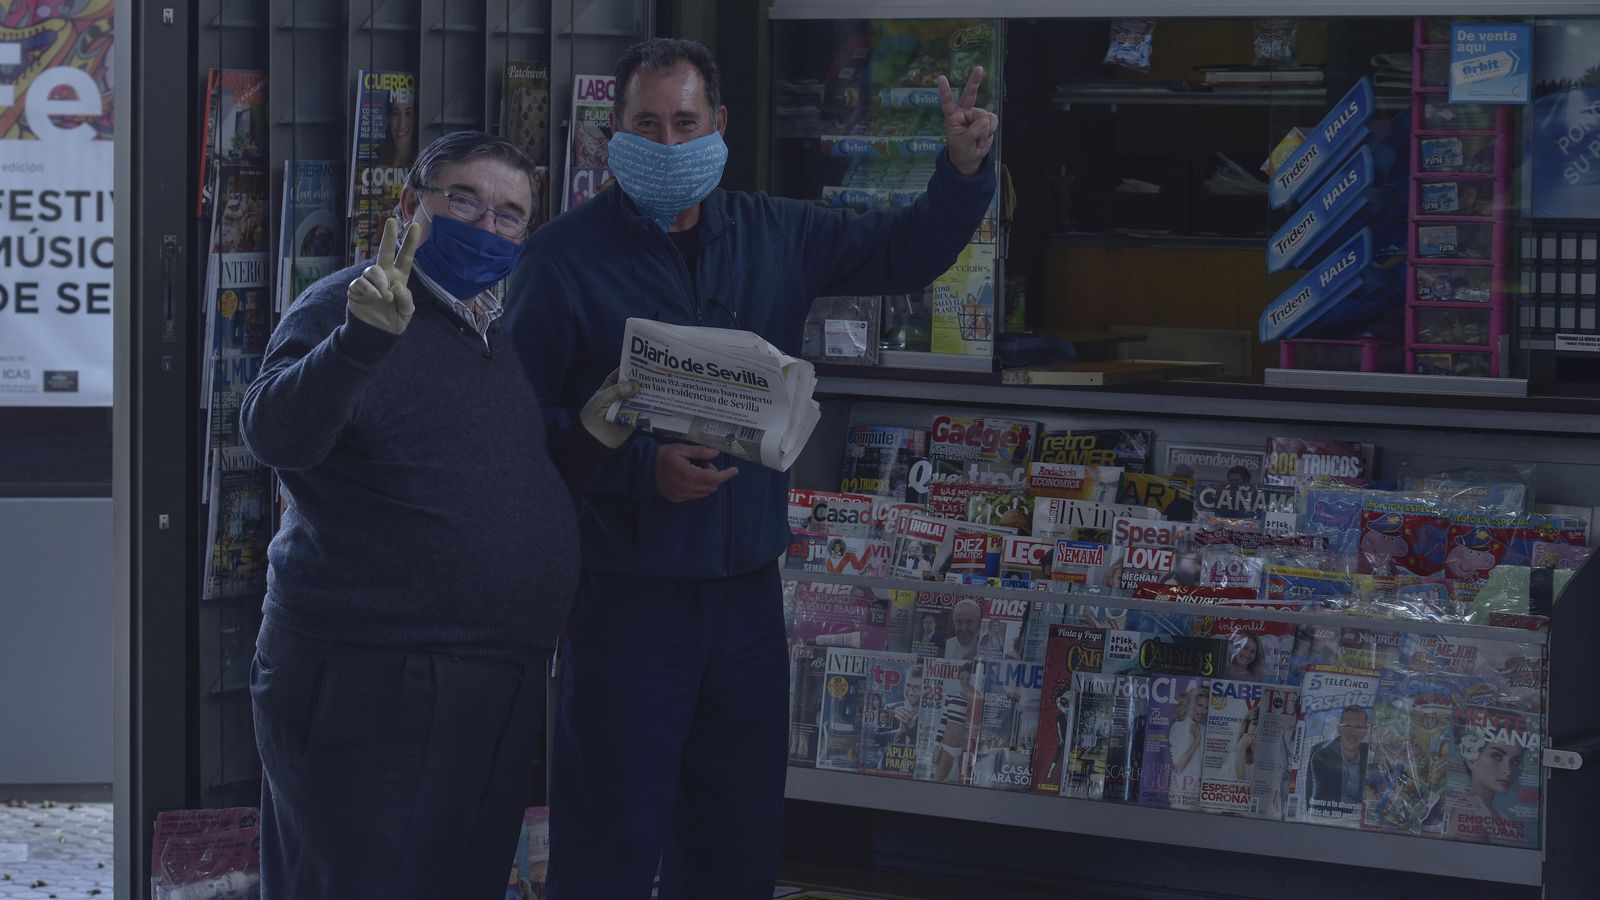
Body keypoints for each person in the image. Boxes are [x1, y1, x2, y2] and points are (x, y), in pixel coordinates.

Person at [506, 34, 998, 898]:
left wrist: (960, 170)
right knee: (611, 843)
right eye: (646, 126)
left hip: (744, 605)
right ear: (609, 136)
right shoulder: (560, 259)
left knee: (736, 842)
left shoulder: (779, 231)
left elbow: (904, 251)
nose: (667, 146)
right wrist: (636, 473)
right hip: (625, 601)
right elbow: (518, 432)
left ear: (720, 125)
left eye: (684, 123)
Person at [241, 131, 629, 898]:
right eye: (465, 201)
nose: (487, 226)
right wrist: (358, 343)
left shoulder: (485, 328)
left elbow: (500, 493)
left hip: (488, 684)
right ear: (411, 205)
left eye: (510, 214)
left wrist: (588, 442)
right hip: (375, 679)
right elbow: (273, 433)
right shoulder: (352, 305)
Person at [1309, 705, 1371, 810]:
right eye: (1348, 726)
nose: (1353, 732)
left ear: (1365, 731)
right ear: (1339, 729)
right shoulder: (1322, 756)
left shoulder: (1371, 754)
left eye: (1359, 727)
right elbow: (1324, 797)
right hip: (1331, 817)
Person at [1167, 680, 1207, 809]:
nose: (1203, 711)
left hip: (1198, 793)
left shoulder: (1202, 728)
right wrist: (1196, 741)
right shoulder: (1179, 727)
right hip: (1181, 794)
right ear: (1190, 704)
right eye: (1199, 705)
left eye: (1206, 707)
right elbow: (1179, 766)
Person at [378, 87, 417, 169]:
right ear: (389, 117)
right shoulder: (376, 156)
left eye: (408, 113)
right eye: (396, 113)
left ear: (415, 117)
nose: (401, 124)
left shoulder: (423, 159)